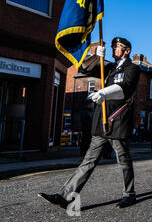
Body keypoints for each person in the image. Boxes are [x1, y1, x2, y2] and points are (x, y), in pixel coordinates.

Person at [38, 37, 140, 209]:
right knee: (88, 161)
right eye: (113, 46)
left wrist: (104, 93)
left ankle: (129, 194)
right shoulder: (108, 67)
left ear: (127, 50)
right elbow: (84, 68)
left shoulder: (133, 68)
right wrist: (94, 55)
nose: (114, 48)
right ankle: (66, 196)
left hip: (117, 120)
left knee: (123, 160)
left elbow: (126, 87)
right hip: (101, 121)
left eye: (118, 46)